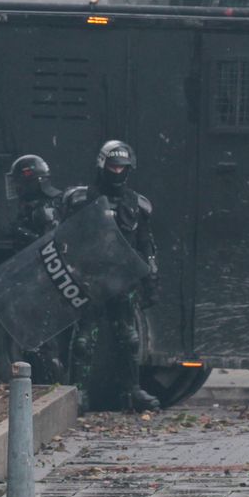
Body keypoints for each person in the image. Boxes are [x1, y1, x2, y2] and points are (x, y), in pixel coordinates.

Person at [60, 140, 161, 412]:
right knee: (82, 339)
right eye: (113, 167)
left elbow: (146, 245)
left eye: (122, 167)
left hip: (122, 281)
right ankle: (78, 393)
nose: (117, 172)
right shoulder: (81, 200)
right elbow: (63, 241)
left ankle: (132, 391)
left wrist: (151, 281)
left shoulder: (137, 204)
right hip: (89, 280)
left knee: (129, 338)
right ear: (103, 166)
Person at [5, 154, 66, 379]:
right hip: (28, 280)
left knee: (47, 344)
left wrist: (23, 234)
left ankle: (56, 389)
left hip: (43, 282)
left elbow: (49, 243)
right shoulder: (29, 206)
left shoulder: (46, 208)